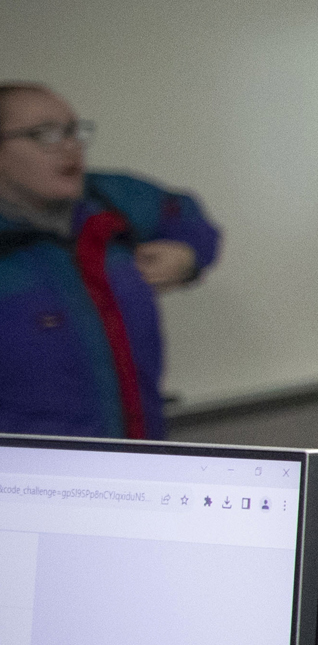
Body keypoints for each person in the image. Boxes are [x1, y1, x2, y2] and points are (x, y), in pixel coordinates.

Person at [0, 82, 220, 439]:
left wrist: (187, 255)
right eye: (45, 134)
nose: (70, 146)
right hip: (32, 478)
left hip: (140, 450)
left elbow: (188, 217)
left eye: (73, 130)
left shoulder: (112, 198)